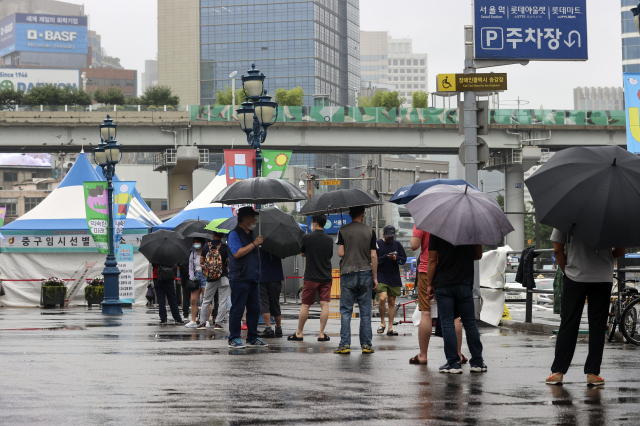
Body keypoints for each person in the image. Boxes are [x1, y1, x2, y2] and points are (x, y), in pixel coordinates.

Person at [546, 230, 625, 387]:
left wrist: (567, 271)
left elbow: (557, 249)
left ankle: (558, 372)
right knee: (597, 325)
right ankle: (593, 373)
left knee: (568, 323)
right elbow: (620, 251)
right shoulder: (612, 217)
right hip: (602, 278)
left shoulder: (567, 214)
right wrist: (606, 254)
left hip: (575, 277)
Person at [426, 235, 486, 374]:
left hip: (443, 283)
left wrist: (429, 284)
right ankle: (477, 362)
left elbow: (432, 260)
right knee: (470, 322)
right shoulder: (472, 229)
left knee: (447, 323)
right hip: (464, 282)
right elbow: (478, 255)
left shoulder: (437, 231)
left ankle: (453, 363)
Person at [410, 226, 467, 365]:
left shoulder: (424, 220)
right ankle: (458, 354)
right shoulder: (454, 219)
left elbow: (414, 245)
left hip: (426, 270)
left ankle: (423, 355)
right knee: (455, 315)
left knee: (425, 313)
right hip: (450, 270)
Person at [334, 205, 378, 355]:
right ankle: (366, 344)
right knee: (365, 312)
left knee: (346, 311)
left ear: (350, 215)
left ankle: (344, 344)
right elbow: (373, 256)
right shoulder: (370, 231)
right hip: (366, 273)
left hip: (348, 273)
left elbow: (340, 253)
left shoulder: (342, 230)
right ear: (362, 215)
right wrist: (375, 277)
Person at [288, 214, 334, 342]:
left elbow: (303, 253)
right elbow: (329, 257)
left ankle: (299, 333)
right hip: (325, 276)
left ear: (314, 222)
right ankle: (321, 333)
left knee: (306, 305)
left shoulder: (306, 237)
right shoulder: (329, 239)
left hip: (311, 277)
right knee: (325, 305)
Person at [227, 207, 267, 349]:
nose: (255, 220)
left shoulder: (251, 234)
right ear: (245, 218)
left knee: (254, 309)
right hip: (239, 278)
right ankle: (234, 338)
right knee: (238, 309)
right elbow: (237, 253)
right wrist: (254, 244)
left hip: (253, 278)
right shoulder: (234, 234)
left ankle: (252, 337)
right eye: (252, 217)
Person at [375, 225, 407, 336]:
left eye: (392, 237)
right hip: (381, 275)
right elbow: (374, 259)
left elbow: (404, 259)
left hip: (394, 276)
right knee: (382, 298)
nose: (391, 239)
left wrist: (396, 258)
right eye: (389, 237)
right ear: (383, 235)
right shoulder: (377, 244)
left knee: (392, 302)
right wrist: (385, 257)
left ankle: (390, 327)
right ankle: (382, 322)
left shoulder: (397, 244)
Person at [196, 231, 231, 330]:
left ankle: (202, 323)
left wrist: (207, 267)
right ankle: (218, 323)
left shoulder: (207, 247)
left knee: (206, 301)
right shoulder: (225, 247)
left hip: (210, 278)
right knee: (222, 301)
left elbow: (201, 262)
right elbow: (229, 261)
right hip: (223, 276)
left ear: (213, 235)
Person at [258, 249, 284, 338]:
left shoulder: (260, 245)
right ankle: (278, 328)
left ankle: (268, 328)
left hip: (262, 276)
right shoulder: (278, 246)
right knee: (275, 303)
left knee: (264, 302)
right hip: (276, 276)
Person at [185, 237, 208, 327]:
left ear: (202, 243)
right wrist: (191, 276)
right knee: (193, 300)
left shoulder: (206, 252)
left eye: (197, 242)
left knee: (206, 300)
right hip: (196, 277)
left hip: (205, 276)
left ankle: (205, 320)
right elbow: (190, 266)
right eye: (194, 242)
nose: (196, 244)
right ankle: (193, 320)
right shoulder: (193, 253)